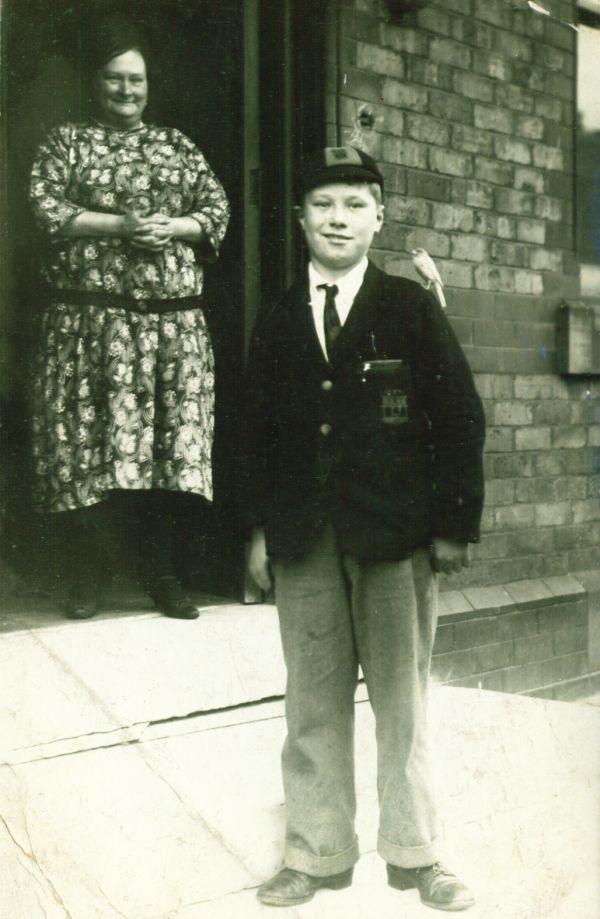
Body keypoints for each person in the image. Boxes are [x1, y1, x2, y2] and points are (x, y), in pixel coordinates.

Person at [245, 146, 485, 910]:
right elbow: (255, 434)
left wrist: (452, 526)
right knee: (311, 703)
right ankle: (316, 853)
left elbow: (459, 419)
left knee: (401, 703)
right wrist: (257, 531)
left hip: (395, 540)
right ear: (299, 220)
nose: (337, 219)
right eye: (322, 205)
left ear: (379, 217)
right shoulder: (280, 317)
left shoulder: (409, 309)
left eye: (354, 204)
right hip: (304, 540)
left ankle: (416, 856)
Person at [29, 20, 230, 620]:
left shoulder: (177, 145)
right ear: (96, 84)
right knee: (85, 452)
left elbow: (216, 210)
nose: (125, 90)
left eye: (135, 80)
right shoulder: (66, 143)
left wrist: (173, 227)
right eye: (114, 79)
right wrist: (120, 225)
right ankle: (86, 578)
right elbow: (44, 206)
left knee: (168, 450)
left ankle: (163, 576)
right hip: (88, 327)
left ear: (149, 85)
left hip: (171, 329)